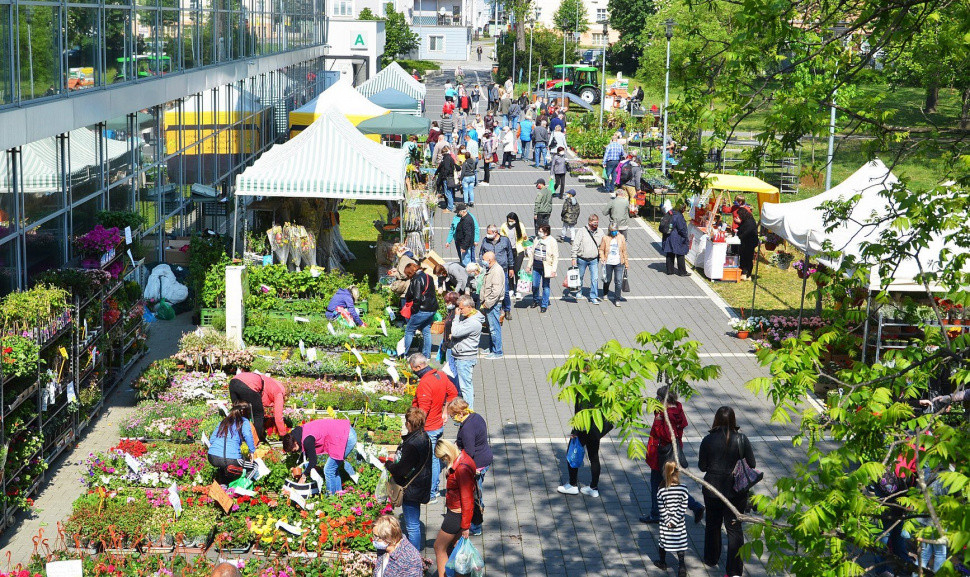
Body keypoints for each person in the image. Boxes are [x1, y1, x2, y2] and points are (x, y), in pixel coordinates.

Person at [698, 406, 757, 577]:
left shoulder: (708, 440)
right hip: (735, 491)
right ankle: (734, 570)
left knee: (712, 524)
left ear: (716, 419)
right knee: (734, 529)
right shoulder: (742, 439)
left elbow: (702, 466)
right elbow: (752, 464)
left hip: (712, 489)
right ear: (734, 420)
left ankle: (711, 558)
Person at [642, 386, 704, 524]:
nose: (656, 399)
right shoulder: (676, 410)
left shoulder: (667, 415)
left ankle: (655, 513)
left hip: (663, 455)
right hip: (672, 453)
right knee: (670, 484)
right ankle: (695, 506)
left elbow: (667, 435)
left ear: (664, 400)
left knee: (658, 484)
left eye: (658, 397)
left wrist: (658, 420)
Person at [409, 353, 459, 503]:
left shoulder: (425, 383)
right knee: (436, 459)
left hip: (429, 427)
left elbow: (423, 410)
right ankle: (434, 489)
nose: (413, 372)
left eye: (413, 369)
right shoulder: (440, 375)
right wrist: (445, 412)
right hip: (438, 425)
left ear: (418, 367)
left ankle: (431, 493)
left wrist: (413, 428)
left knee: (430, 462)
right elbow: (453, 393)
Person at [384, 408, 433, 553]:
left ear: (409, 423)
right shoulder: (425, 437)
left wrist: (389, 465)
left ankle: (414, 556)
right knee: (413, 523)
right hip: (421, 483)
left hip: (412, 488)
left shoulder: (412, 444)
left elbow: (401, 469)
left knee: (412, 525)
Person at [447, 398, 492, 536]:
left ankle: (476, 525)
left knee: (475, 496)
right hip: (485, 457)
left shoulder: (467, 428)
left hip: (476, 464)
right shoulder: (475, 417)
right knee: (477, 492)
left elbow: (470, 452)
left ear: (460, 413)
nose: (452, 418)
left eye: (453, 415)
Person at [432, 439, 477, 577]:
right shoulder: (465, 458)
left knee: (439, 547)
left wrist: (465, 526)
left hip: (456, 514)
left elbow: (467, 498)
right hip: (460, 513)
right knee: (457, 548)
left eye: (443, 458)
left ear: (447, 454)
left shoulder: (461, 469)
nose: (443, 462)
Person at [557, 391, 614, 497]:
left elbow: (582, 412)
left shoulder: (584, 387)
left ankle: (572, 485)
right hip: (596, 427)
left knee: (572, 452)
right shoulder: (600, 385)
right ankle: (593, 488)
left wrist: (575, 431)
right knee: (594, 456)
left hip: (584, 429)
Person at [282, 418, 358, 494]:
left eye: (294, 450)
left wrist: (303, 476)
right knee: (333, 467)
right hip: (343, 430)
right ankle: (339, 494)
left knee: (328, 470)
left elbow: (313, 461)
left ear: (295, 443)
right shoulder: (297, 433)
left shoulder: (307, 440)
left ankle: (330, 498)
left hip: (345, 436)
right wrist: (298, 466)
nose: (294, 452)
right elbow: (306, 451)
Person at [228, 372, 287, 443]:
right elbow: (278, 417)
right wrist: (284, 435)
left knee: (237, 413)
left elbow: (261, 398)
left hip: (233, 383)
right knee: (258, 415)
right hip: (248, 385)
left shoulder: (269, 381)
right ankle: (256, 441)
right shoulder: (279, 392)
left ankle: (233, 438)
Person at [654, 461, 689, 577]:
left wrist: (668, 521)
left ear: (665, 472)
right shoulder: (683, 489)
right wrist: (675, 521)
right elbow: (683, 507)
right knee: (680, 542)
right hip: (679, 522)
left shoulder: (661, 490)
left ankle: (662, 562)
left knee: (663, 542)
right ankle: (682, 566)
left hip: (665, 522)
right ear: (678, 473)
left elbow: (661, 508)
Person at [207, 402, 257, 484]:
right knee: (254, 466)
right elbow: (247, 435)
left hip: (212, 457)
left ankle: (223, 486)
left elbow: (212, 440)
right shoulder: (243, 421)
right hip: (231, 458)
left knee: (222, 468)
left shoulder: (223, 421)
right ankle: (241, 488)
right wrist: (251, 451)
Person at [450, 294, 483, 406]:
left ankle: (468, 412)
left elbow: (455, 332)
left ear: (469, 307)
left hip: (465, 358)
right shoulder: (470, 317)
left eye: (461, 308)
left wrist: (456, 317)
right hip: (462, 356)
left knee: (466, 387)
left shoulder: (473, 322)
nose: (460, 311)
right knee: (464, 385)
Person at [478, 225, 515, 321]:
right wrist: (481, 265)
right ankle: (492, 307)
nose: (487, 235)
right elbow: (481, 254)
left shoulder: (505, 240)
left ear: (496, 232)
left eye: (489, 233)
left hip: (503, 269)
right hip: (489, 269)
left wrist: (511, 267)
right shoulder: (485, 241)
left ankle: (507, 309)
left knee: (505, 291)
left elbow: (510, 254)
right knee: (489, 289)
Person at [402, 263, 439, 359]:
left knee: (409, 330)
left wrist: (414, 310)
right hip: (432, 308)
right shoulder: (428, 276)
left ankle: (405, 354)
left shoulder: (417, 279)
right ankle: (427, 355)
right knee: (426, 331)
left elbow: (417, 297)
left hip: (422, 309)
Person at [569, 215, 604, 304]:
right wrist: (573, 257)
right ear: (589, 222)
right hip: (582, 259)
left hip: (594, 259)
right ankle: (579, 291)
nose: (596, 224)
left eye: (597, 222)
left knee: (595, 278)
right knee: (580, 276)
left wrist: (603, 256)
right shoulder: (582, 231)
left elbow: (603, 246)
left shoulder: (600, 232)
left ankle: (593, 296)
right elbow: (575, 244)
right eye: (594, 222)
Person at [525, 224, 559, 313]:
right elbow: (532, 253)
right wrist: (529, 266)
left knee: (546, 286)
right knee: (535, 285)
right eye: (539, 231)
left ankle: (544, 304)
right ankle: (535, 300)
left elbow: (555, 257)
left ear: (546, 232)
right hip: (536, 266)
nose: (539, 233)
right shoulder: (537, 239)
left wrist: (554, 270)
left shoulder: (552, 241)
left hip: (546, 267)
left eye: (541, 231)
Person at [479, 251, 505, 360]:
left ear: (490, 260)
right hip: (490, 304)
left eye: (484, 259)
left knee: (494, 328)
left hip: (493, 304)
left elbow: (496, 291)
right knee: (491, 327)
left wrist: (487, 303)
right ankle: (491, 348)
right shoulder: (491, 269)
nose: (482, 261)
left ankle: (497, 351)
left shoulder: (497, 271)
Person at [599, 222, 629, 307]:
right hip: (608, 262)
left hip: (619, 262)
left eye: (615, 231)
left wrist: (626, 263)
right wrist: (602, 257)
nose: (614, 232)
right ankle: (605, 292)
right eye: (612, 231)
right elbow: (601, 249)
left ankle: (617, 299)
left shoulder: (621, 237)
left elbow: (624, 251)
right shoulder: (605, 238)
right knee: (607, 280)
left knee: (618, 281)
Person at [500, 212, 527, 288]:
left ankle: (518, 288)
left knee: (516, 269)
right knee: (510, 269)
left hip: (519, 250)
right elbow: (502, 238)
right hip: (509, 250)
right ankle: (511, 288)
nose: (510, 223)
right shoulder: (504, 226)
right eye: (509, 221)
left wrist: (526, 249)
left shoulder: (520, 225)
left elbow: (525, 237)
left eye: (512, 221)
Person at [663, 203, 690, 276]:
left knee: (670, 253)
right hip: (677, 237)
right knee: (680, 253)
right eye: (684, 209)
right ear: (682, 209)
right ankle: (682, 272)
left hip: (668, 236)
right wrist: (685, 236)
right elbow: (681, 228)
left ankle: (670, 270)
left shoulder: (671, 212)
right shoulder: (679, 216)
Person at [736, 207, 759, 280]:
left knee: (748, 258)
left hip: (750, 242)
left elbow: (746, 232)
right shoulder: (745, 221)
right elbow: (741, 229)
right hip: (745, 241)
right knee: (743, 256)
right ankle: (744, 272)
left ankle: (747, 274)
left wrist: (739, 236)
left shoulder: (750, 222)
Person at [434, 144, 458, 212]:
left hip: (447, 178)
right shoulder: (450, 158)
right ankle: (451, 205)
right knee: (450, 192)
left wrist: (443, 176)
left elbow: (446, 168)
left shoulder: (446, 159)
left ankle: (450, 208)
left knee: (448, 193)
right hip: (450, 177)